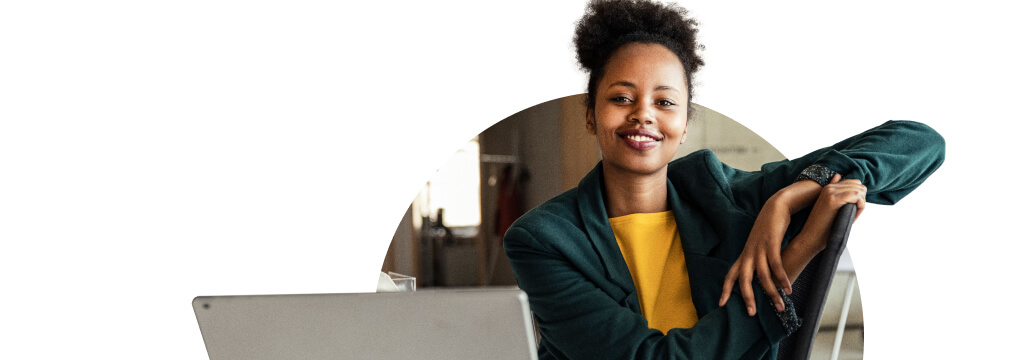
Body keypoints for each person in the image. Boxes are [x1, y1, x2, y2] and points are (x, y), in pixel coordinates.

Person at [502, 1, 945, 359]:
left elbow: (919, 142)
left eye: (665, 101)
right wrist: (800, 250)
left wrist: (790, 197)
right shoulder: (543, 239)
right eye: (621, 98)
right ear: (590, 116)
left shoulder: (724, 194)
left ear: (684, 124)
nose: (643, 114)